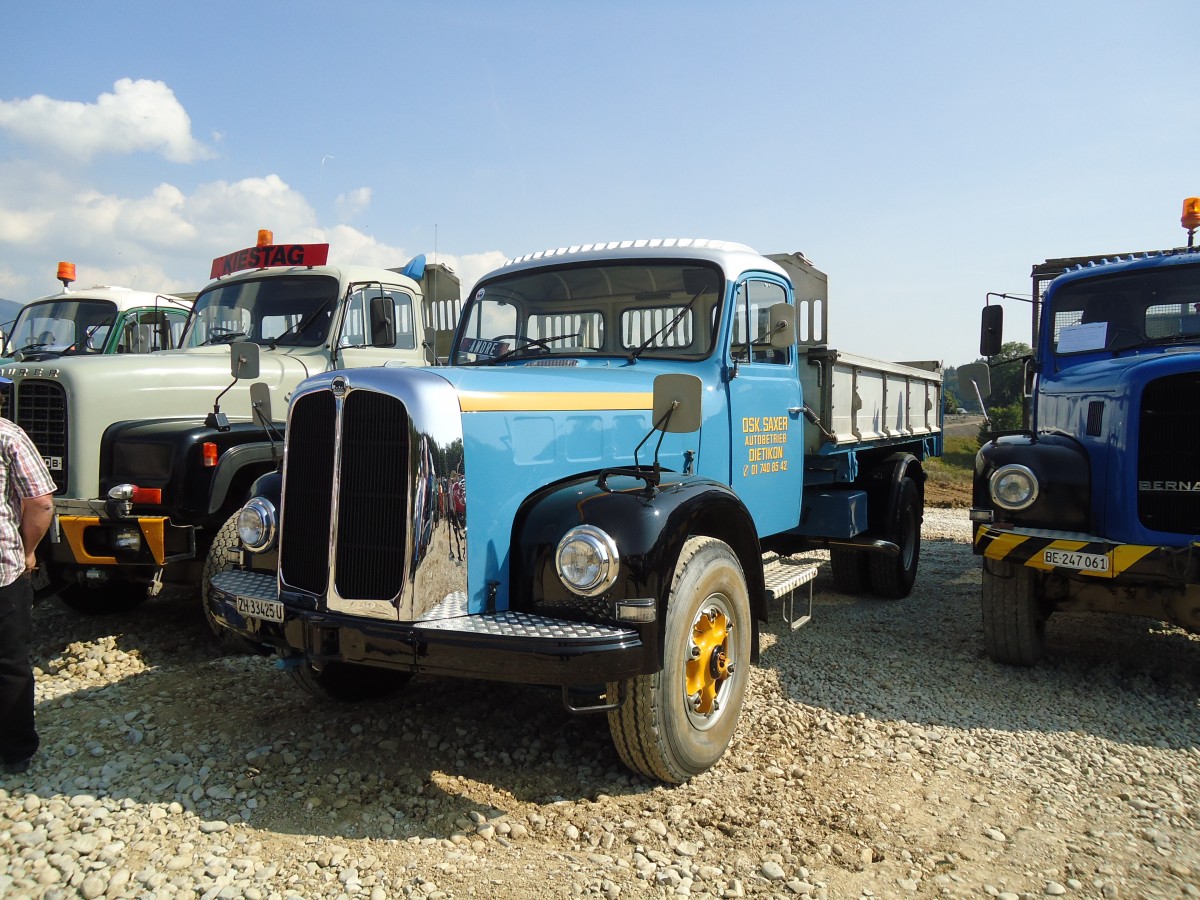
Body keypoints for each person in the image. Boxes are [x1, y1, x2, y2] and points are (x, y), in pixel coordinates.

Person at [0, 379, 56, 775]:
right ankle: (16, 750)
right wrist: (28, 549)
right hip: (2, 568)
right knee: (8, 662)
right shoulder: (8, 435)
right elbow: (40, 502)